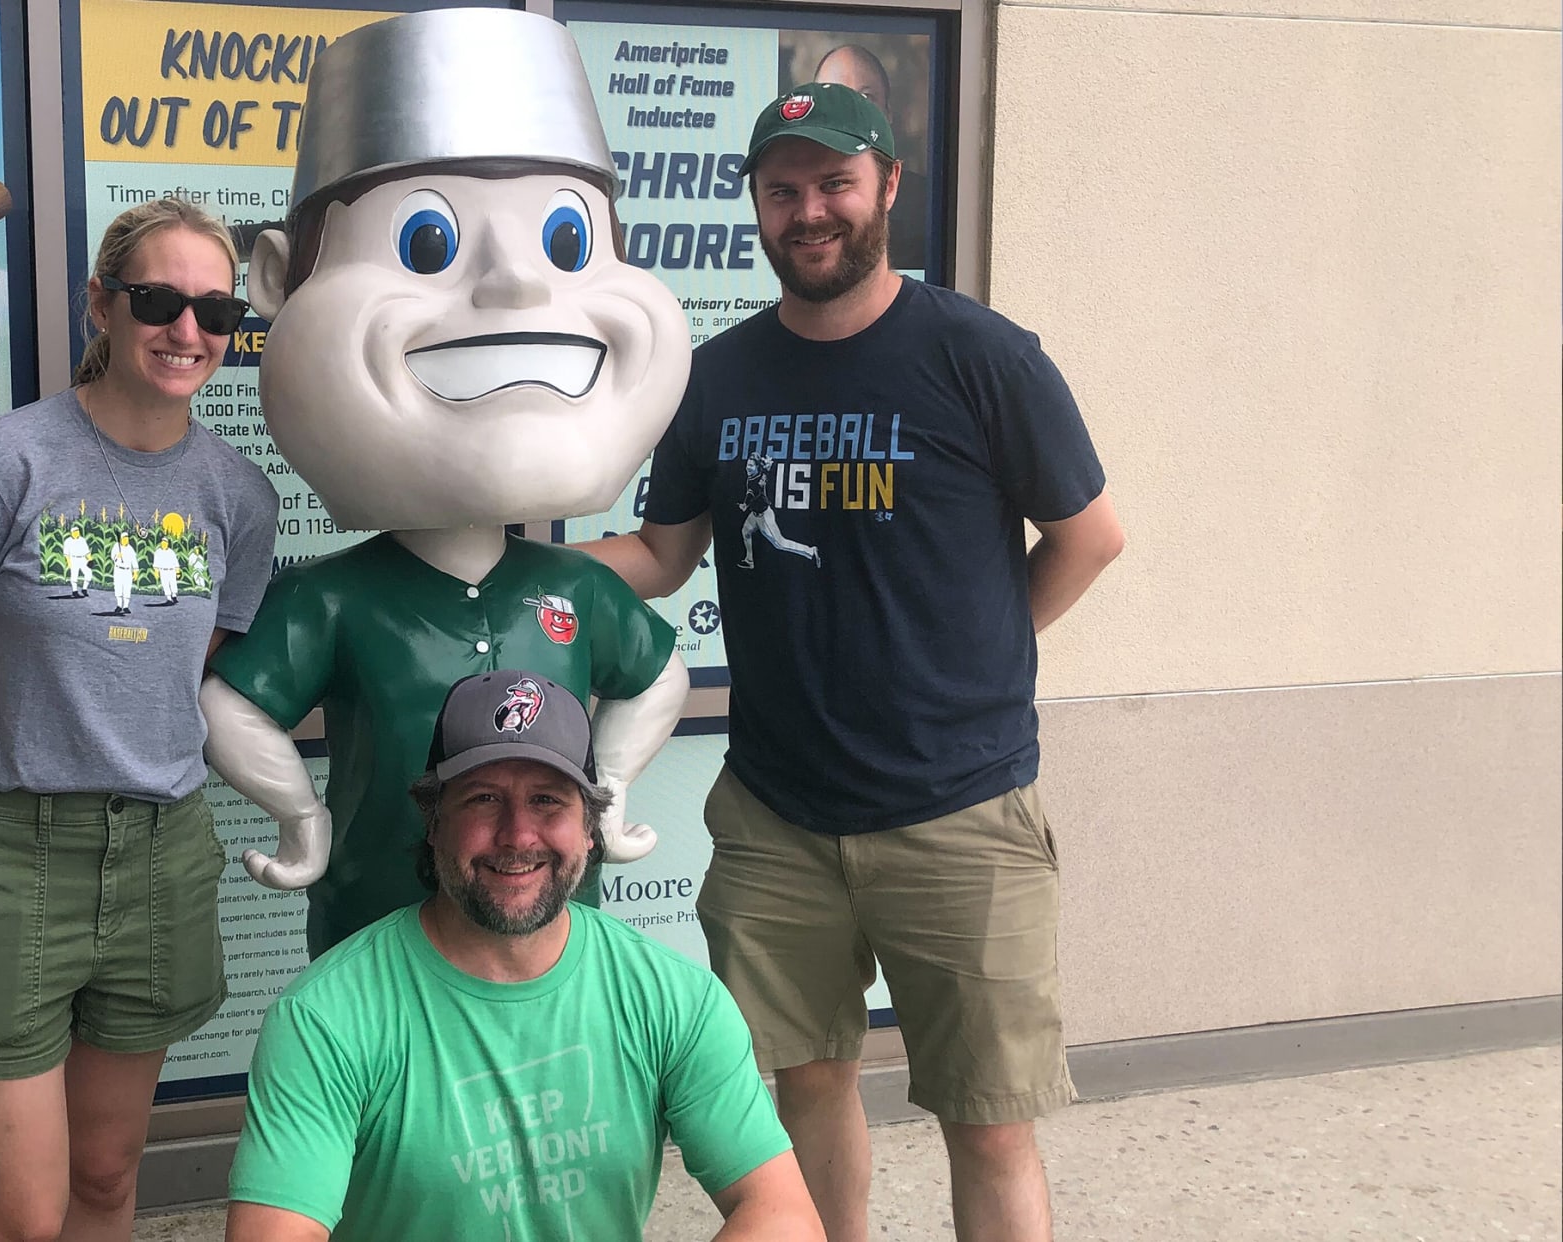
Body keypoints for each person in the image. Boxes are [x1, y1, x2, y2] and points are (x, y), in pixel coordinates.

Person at [587, 83, 1125, 1242]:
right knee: (806, 1084)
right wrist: (526, 576)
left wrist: (979, 652)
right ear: (759, 209)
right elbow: (666, 552)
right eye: (782, 191)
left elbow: (1089, 537)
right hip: (781, 814)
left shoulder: (980, 355)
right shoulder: (718, 378)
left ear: (886, 185)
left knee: (989, 1121)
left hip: (961, 811)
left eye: (833, 182)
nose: (809, 211)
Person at [199, 7, 695, 958]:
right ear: (277, 282)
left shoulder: (576, 589)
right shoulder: (334, 599)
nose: (515, 286)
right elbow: (229, 703)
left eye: (564, 239)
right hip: (373, 934)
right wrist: (300, 815)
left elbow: (659, 675)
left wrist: (613, 782)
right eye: (426, 242)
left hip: (547, 936)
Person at [0, 197, 278, 1242]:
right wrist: (13, 772)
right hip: (9, 854)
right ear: (103, 304)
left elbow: (185, 668)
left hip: (161, 853)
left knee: (106, 1178)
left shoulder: (237, 496)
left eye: (214, 310)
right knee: (23, 1214)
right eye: (157, 301)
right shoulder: (1, 465)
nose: (187, 331)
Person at [226, 671, 823, 1242]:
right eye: (484, 799)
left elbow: (782, 1215)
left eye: (547, 800)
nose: (517, 835)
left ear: (590, 828)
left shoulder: (672, 997)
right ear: (433, 823)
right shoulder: (326, 1017)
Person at [812, 46, 929, 274]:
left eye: (866, 97)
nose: (850, 113)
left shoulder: (925, 205)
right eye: (833, 97)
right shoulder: (789, 203)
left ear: (888, 113)